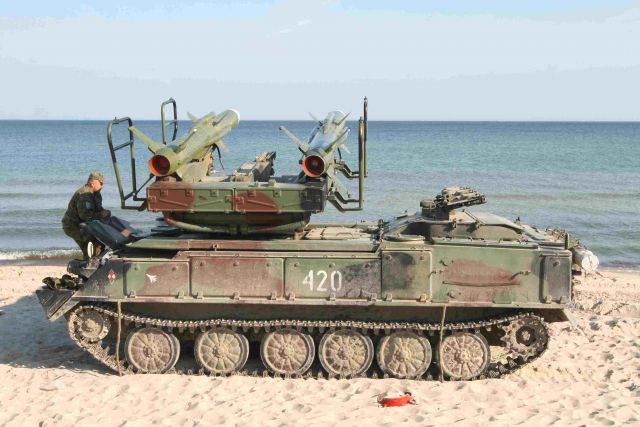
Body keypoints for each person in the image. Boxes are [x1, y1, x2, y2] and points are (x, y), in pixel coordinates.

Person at [62, 171, 111, 258]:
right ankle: (90, 262)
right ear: (93, 182)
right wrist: (101, 215)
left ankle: (92, 261)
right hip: (73, 226)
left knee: (99, 242)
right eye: (100, 183)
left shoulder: (96, 193)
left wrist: (104, 212)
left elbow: (98, 209)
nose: (102, 185)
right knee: (94, 241)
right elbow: (85, 216)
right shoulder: (84, 195)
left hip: (84, 224)